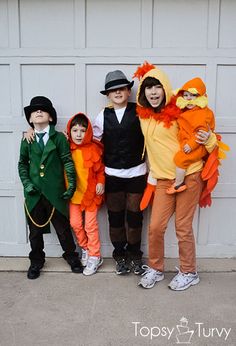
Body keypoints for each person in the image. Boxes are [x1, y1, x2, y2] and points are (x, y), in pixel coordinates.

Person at [133, 62, 217, 290]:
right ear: (142, 92)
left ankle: (189, 272)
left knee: (182, 226)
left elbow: (205, 135)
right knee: (155, 227)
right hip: (162, 179)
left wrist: (209, 138)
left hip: (189, 175)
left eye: (157, 87)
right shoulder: (143, 116)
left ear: (165, 88)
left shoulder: (181, 111)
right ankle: (156, 269)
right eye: (148, 88)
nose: (153, 92)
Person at [18, 96, 83, 279]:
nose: (38, 112)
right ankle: (36, 260)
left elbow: (67, 162)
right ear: (30, 119)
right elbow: (22, 164)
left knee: (63, 229)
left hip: (56, 193)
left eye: (43, 109)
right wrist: (27, 184)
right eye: (34, 111)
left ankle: (71, 256)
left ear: (51, 118)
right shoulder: (27, 139)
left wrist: (71, 186)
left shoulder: (60, 138)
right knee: (35, 232)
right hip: (34, 194)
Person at [93, 70, 147, 275]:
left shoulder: (140, 112)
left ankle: (134, 255)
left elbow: (153, 135)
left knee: (135, 216)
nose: (117, 92)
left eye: (122, 89)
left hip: (136, 173)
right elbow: (92, 142)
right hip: (112, 174)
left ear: (128, 91)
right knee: (115, 217)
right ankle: (120, 255)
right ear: (107, 95)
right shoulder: (102, 115)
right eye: (113, 90)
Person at [66, 112, 105, 275]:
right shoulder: (66, 147)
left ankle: (95, 256)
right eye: (75, 130)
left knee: (90, 226)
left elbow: (100, 170)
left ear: (88, 132)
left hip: (91, 194)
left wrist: (101, 183)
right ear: (69, 132)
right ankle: (85, 248)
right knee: (75, 223)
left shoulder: (94, 148)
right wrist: (29, 130)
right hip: (74, 195)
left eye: (82, 130)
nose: (79, 134)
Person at [166, 77, 215, 194]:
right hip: (189, 143)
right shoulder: (188, 111)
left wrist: (191, 145)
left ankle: (178, 184)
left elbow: (200, 132)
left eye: (193, 96)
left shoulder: (201, 114)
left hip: (197, 146)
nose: (188, 98)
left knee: (180, 159)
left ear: (201, 97)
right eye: (186, 95)